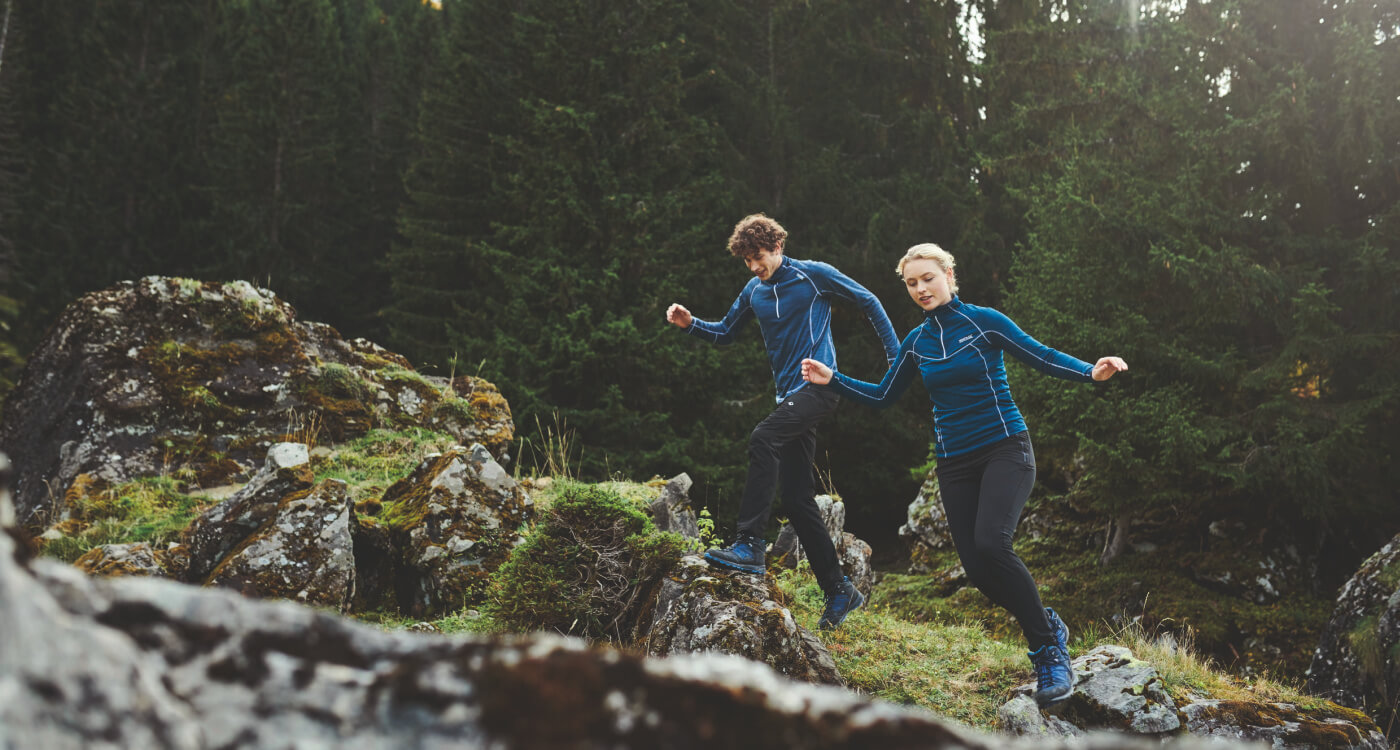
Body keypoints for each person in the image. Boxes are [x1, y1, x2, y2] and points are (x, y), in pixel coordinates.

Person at [800, 243, 1127, 705]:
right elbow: (882, 396)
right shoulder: (916, 343)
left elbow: (1041, 355)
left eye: (928, 278)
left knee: (994, 544)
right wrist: (833, 379)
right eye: (912, 283)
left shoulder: (984, 322)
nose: (920, 289)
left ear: (949, 275)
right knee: (978, 569)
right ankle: (1047, 621)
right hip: (954, 463)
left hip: (1005, 448)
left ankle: (1048, 650)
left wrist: (1090, 371)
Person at [666, 213, 900, 630]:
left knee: (762, 438)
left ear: (777, 247)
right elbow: (724, 333)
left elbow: (869, 301)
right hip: (789, 397)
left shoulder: (813, 276)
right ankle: (839, 589)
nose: (754, 267)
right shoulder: (754, 291)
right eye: (746, 261)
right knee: (796, 499)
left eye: (758, 257)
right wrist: (691, 325)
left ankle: (750, 544)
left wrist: (895, 355)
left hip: (821, 388)